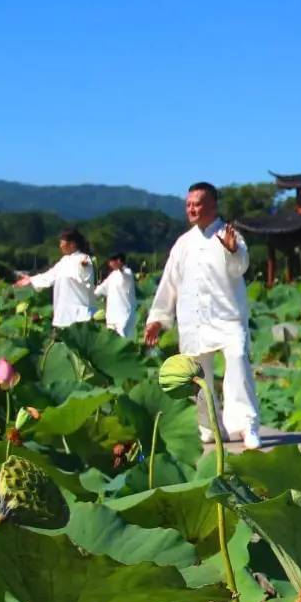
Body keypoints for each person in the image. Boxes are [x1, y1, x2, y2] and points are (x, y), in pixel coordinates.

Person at [144, 182, 261, 449]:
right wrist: (158, 319)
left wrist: (233, 250)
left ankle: (246, 425)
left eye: (197, 203)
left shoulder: (229, 234)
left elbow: (240, 267)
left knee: (239, 361)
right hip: (193, 321)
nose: (192, 208)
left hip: (228, 317)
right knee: (196, 375)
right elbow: (169, 282)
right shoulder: (183, 243)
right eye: (188, 204)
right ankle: (209, 426)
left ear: (213, 205)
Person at [14, 227, 96, 328]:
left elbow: (84, 279)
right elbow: (50, 275)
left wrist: (83, 266)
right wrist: (30, 280)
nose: (60, 246)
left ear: (73, 244)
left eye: (62, 243)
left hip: (80, 315)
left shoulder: (84, 259)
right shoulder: (64, 260)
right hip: (63, 314)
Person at [94, 253, 137, 337]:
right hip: (111, 317)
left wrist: (120, 268)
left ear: (119, 261)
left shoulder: (128, 272)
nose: (109, 263)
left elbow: (125, 275)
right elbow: (98, 291)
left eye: (112, 261)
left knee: (123, 342)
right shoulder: (112, 275)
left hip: (124, 316)